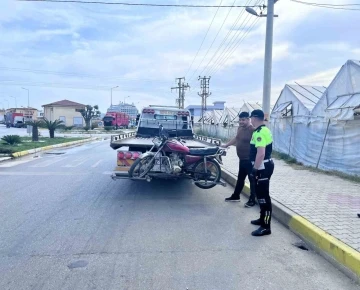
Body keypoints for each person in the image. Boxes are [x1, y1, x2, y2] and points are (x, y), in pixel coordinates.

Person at [248, 109, 275, 237]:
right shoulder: (263, 130)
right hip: (264, 166)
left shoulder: (260, 132)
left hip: (263, 167)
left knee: (264, 197)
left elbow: (261, 153)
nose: (250, 120)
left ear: (254, 118)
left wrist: (255, 169)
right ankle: (262, 219)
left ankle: (266, 226)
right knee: (260, 195)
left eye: (250, 118)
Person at [222, 112, 256, 207]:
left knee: (252, 180)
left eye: (243, 120)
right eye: (240, 120)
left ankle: (252, 200)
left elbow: (258, 145)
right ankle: (236, 196)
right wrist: (226, 145)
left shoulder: (253, 130)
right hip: (242, 159)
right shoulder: (240, 128)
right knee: (240, 179)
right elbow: (236, 139)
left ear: (248, 120)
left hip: (250, 160)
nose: (241, 122)